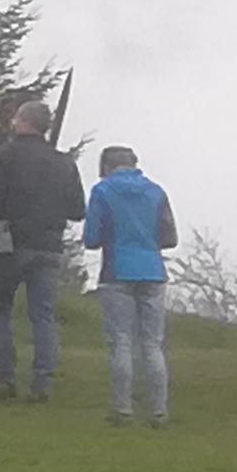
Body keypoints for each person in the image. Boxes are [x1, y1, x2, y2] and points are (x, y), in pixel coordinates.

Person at [0, 101, 84, 403]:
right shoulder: (63, 162)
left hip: (10, 243)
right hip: (48, 245)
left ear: (23, 122)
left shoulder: (2, 156)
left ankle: (5, 377)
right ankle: (42, 382)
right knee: (43, 315)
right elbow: (77, 209)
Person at [87, 140, 178, 425]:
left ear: (106, 166)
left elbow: (91, 238)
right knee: (152, 344)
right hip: (152, 269)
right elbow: (169, 238)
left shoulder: (102, 191)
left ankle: (123, 408)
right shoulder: (156, 191)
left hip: (117, 270)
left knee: (121, 343)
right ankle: (159, 410)